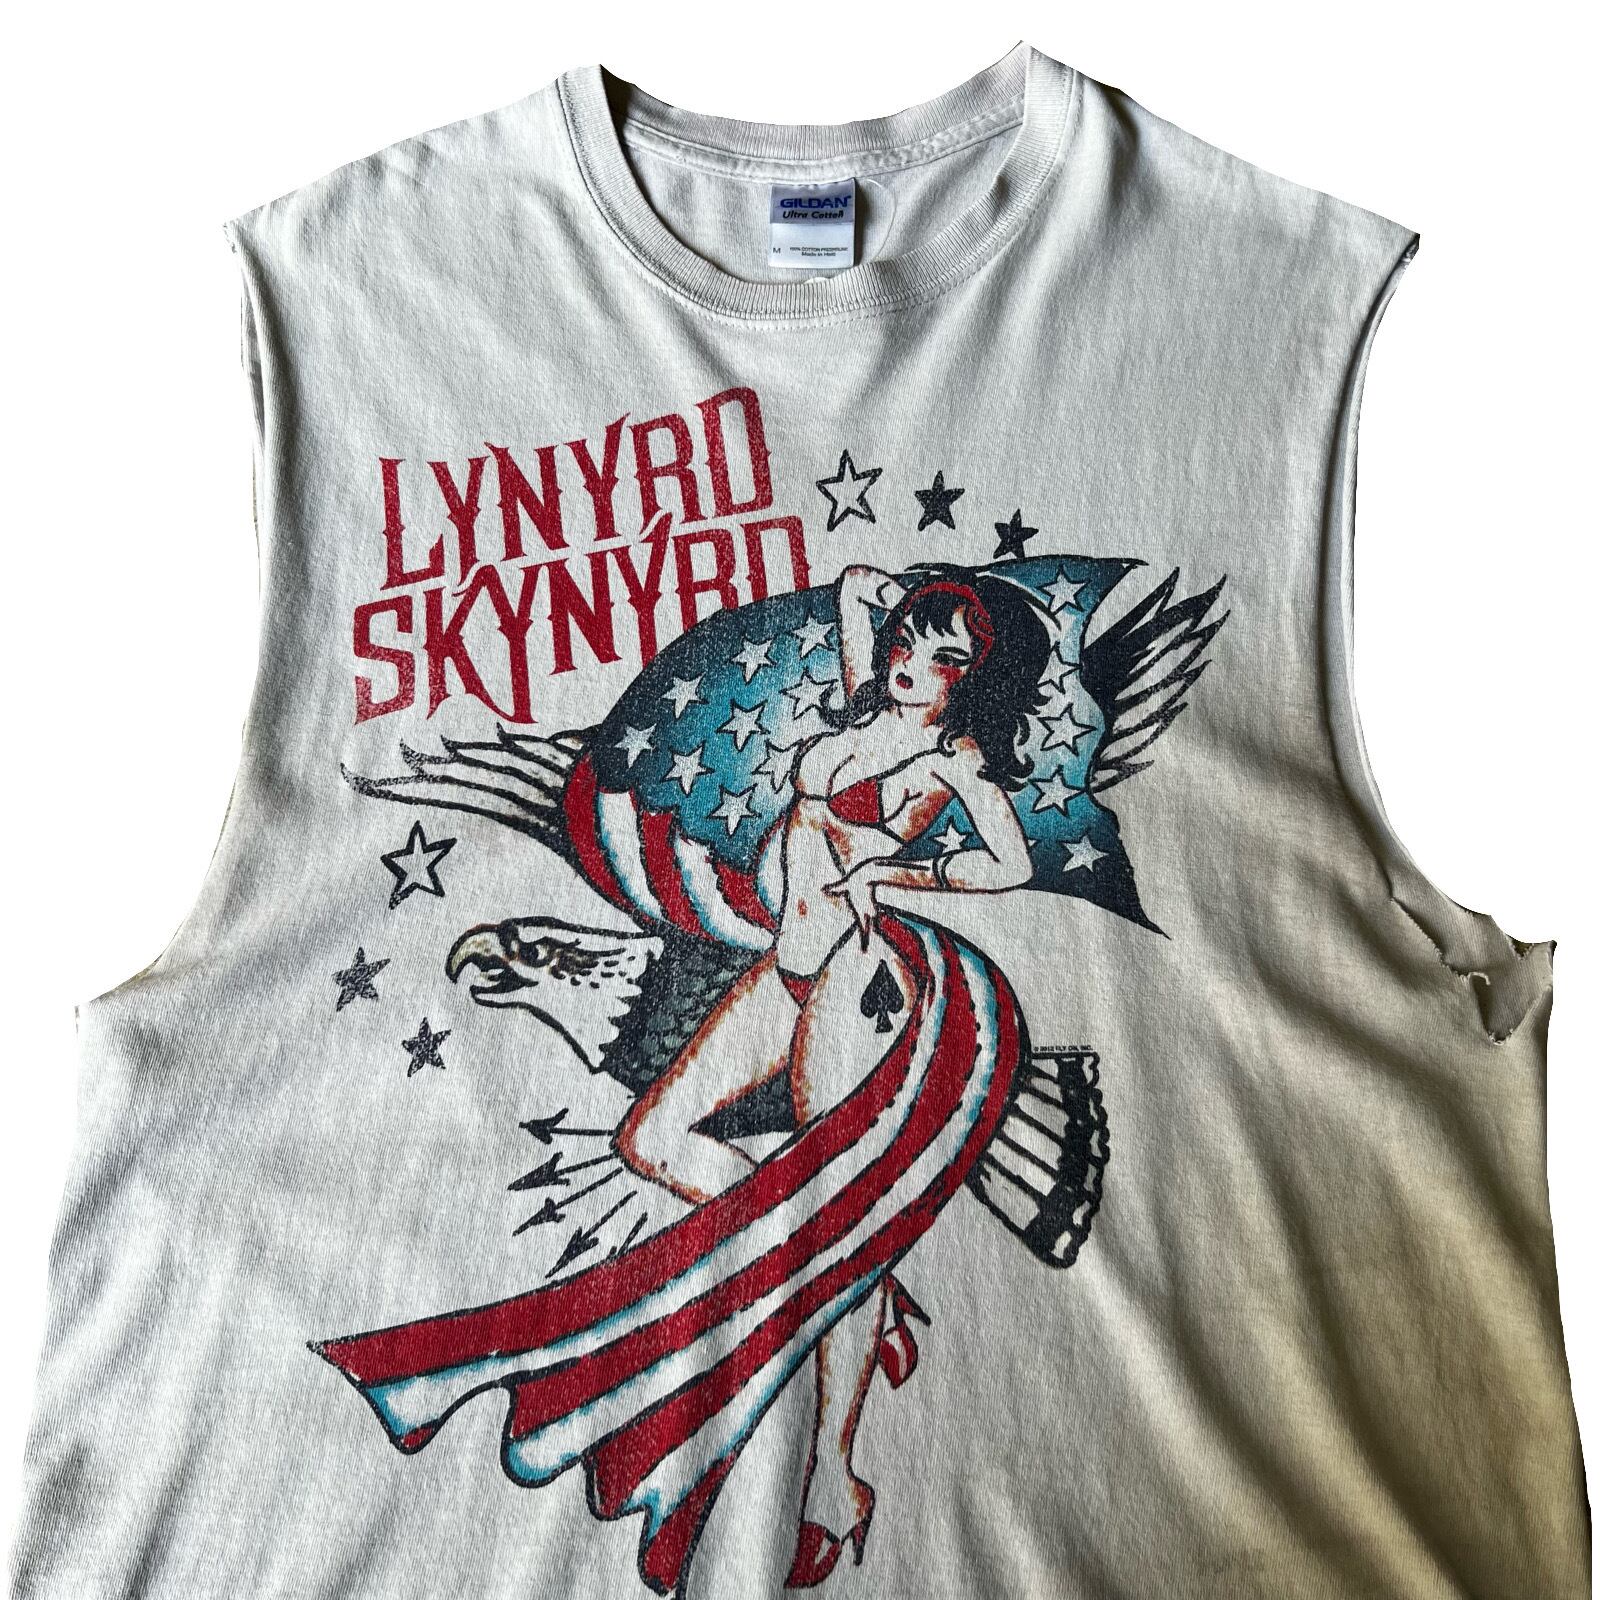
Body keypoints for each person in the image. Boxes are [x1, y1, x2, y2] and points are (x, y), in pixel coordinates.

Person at [614, 562, 1052, 1584]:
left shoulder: (949, 760)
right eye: (911, 641)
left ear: (973, 681)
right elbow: (856, 584)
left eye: (945, 658)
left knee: (829, 1220)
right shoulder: (871, 703)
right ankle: (872, 1284)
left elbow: (1013, 862)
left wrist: (897, 869)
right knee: (651, 1140)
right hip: (785, 968)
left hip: (851, 984)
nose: (914, 664)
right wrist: (903, 599)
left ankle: (834, 1476)